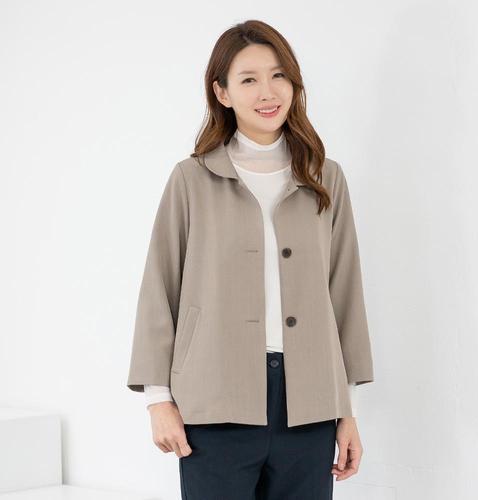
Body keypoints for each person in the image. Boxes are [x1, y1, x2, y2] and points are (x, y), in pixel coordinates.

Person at [127, 19, 374, 500]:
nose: (268, 92)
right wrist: (158, 400)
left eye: (279, 75)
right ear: (221, 92)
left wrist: (347, 411)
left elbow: (345, 294)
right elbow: (160, 288)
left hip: (309, 406)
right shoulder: (192, 179)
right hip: (215, 401)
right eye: (248, 79)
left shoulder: (325, 178)